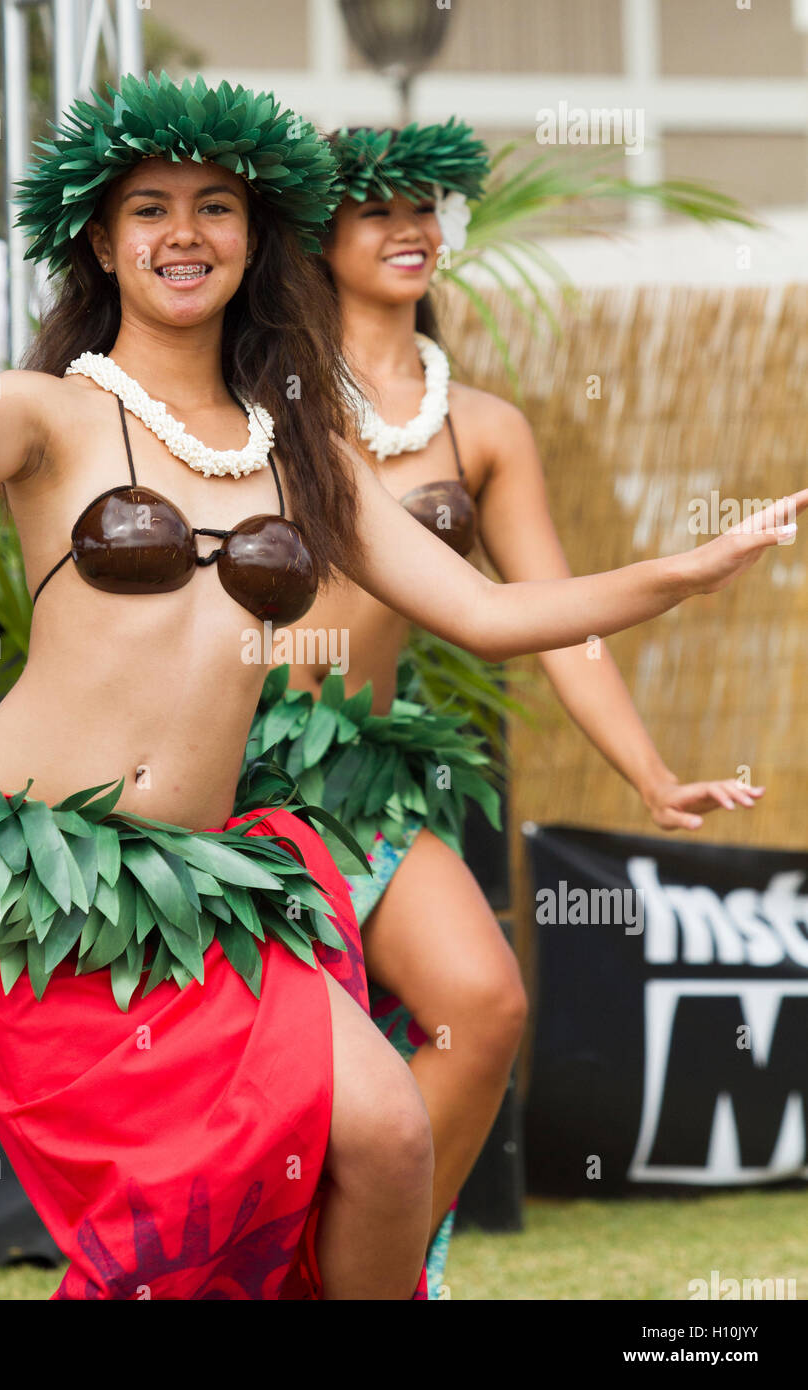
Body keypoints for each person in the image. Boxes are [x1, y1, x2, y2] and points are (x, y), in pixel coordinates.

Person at [0, 73, 803, 1302]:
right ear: (102, 244)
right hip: (43, 887)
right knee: (193, 1220)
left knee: (384, 1132)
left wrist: (685, 569)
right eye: (149, 208)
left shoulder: (299, 446)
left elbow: (487, 610)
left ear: (257, 238)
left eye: (216, 207)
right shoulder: (45, 411)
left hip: (200, 885)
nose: (182, 233)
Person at [244, 119, 787, 1295]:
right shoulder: (266, 396)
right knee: (279, 1079)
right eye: (380, 208)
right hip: (230, 774)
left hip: (364, 772)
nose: (411, 229)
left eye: (426, 206)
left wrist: (647, 768)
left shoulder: (483, 428)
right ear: (319, 234)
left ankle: (366, 1280)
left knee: (484, 1005)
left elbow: (556, 614)